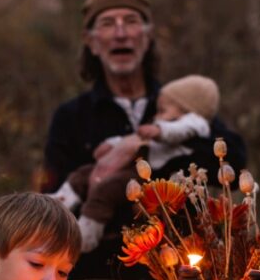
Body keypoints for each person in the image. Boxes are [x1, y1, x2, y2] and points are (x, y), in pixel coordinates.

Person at [41, 0, 246, 280]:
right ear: (91, 41)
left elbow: (232, 155)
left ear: (148, 36)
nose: (120, 31)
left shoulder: (177, 104)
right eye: (108, 23)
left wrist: (150, 142)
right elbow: (54, 200)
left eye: (131, 20)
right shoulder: (71, 118)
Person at [52, 74, 221, 252]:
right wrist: (112, 144)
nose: (158, 115)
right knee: (84, 173)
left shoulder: (196, 123)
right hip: (135, 165)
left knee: (106, 190)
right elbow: (135, 139)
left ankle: (85, 236)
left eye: (163, 110)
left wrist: (159, 130)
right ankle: (59, 202)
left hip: (148, 177)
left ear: (187, 108)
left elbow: (179, 131)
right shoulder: (161, 123)